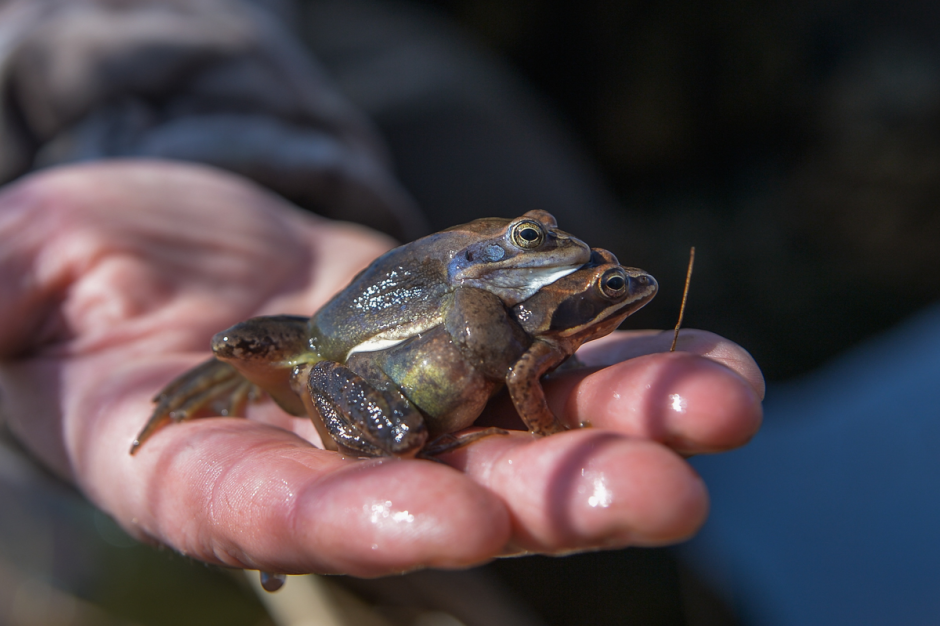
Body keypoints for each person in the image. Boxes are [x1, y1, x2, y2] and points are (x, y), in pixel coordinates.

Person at [0, 0, 763, 579]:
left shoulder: (491, 285)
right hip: (332, 336)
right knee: (245, 352)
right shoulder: (466, 280)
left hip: (260, 68)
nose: (552, 254)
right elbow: (485, 348)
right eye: (531, 241)